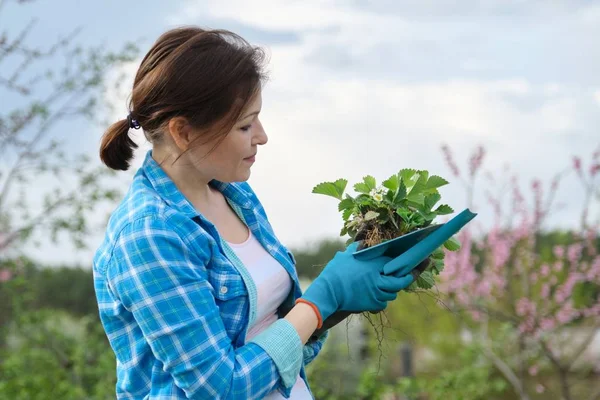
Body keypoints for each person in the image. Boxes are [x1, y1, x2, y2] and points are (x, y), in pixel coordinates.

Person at [93, 26, 416, 400]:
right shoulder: (149, 236)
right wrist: (321, 299)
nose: (261, 136)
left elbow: (275, 335)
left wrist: (341, 299)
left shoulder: (234, 194)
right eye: (245, 124)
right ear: (182, 132)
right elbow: (224, 387)